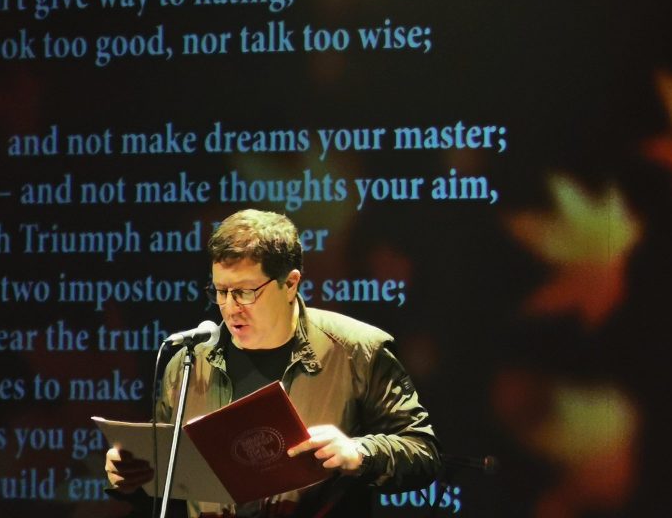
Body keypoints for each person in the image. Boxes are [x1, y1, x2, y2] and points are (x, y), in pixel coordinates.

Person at [105, 209, 442, 517]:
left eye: (245, 292)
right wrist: (133, 479)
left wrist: (359, 453)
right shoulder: (189, 361)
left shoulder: (357, 351)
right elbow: (171, 492)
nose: (230, 307)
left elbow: (423, 453)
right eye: (220, 291)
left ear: (290, 284)